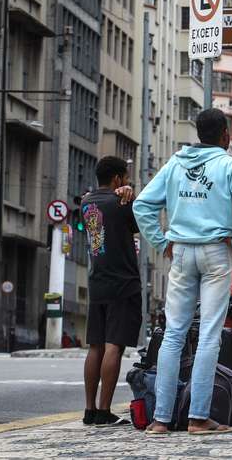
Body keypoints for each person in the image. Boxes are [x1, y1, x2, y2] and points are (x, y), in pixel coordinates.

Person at [135, 108, 232, 435]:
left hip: (180, 252)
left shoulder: (175, 164)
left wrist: (159, 239)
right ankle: (197, 418)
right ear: (225, 136)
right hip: (217, 251)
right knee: (209, 334)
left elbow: (143, 204)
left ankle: (161, 420)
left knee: (173, 334)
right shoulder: (231, 165)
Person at [79, 156, 140, 426]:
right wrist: (130, 196)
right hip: (122, 282)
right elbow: (141, 224)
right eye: (125, 178)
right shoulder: (122, 203)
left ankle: (89, 409)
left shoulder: (86, 202)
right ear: (117, 179)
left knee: (95, 345)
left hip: (97, 280)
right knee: (114, 345)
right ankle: (105, 410)